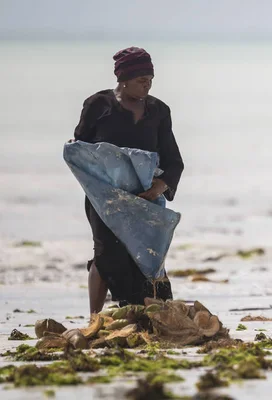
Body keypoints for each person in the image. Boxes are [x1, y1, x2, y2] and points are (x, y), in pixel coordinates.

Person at [72, 47, 184, 314]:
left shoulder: (159, 111)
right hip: (105, 199)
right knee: (105, 252)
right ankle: (94, 319)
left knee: (146, 255)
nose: (147, 85)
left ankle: (142, 314)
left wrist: (160, 186)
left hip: (146, 199)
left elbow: (174, 161)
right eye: (141, 80)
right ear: (123, 78)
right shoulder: (97, 106)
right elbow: (80, 151)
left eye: (150, 80)